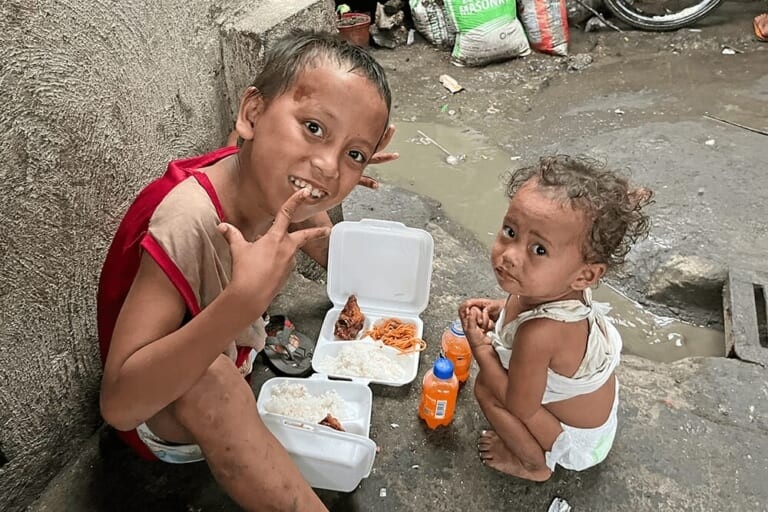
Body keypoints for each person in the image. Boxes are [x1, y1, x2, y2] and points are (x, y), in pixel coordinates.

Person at [97, 30, 395, 511]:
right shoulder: (188, 221)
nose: (326, 165)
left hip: (233, 358)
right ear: (251, 114)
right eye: (314, 128)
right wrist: (241, 304)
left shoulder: (266, 178)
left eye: (354, 154)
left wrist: (338, 165)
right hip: (163, 410)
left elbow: (325, 233)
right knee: (210, 383)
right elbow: (119, 408)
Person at [459, 155, 652, 481]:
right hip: (593, 414)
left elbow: (520, 407)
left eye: (539, 250)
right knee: (500, 376)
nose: (510, 255)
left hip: (579, 443)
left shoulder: (540, 334)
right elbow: (524, 307)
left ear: (585, 275)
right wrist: (500, 310)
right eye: (510, 231)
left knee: (485, 389)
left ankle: (533, 466)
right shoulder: (552, 287)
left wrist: (481, 349)